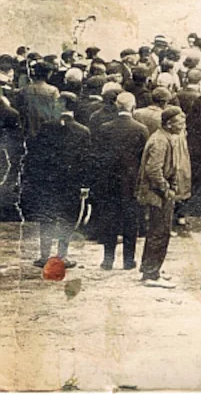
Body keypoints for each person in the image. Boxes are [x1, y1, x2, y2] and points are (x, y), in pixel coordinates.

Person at [21, 101, 89, 269]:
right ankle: (62, 255)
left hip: (48, 181)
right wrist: (84, 184)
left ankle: (44, 255)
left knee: (47, 218)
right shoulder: (83, 131)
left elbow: (37, 155)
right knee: (67, 218)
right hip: (71, 183)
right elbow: (86, 161)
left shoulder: (46, 128)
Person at [94, 92, 150, 271]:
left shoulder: (104, 128)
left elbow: (99, 156)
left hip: (109, 181)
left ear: (117, 106)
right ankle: (128, 260)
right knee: (130, 221)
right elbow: (143, 159)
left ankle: (107, 260)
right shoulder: (141, 129)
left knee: (109, 219)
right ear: (132, 107)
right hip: (131, 182)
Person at [135, 106, 190, 288]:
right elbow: (153, 170)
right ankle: (151, 273)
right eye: (179, 122)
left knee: (158, 231)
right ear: (168, 124)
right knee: (159, 232)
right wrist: (167, 190)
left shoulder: (165, 138)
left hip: (161, 194)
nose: (182, 126)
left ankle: (152, 269)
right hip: (157, 195)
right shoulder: (160, 141)